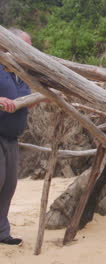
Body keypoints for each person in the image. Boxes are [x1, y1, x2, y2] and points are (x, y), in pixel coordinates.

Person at [0, 28, 33, 246]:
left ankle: (2, 233)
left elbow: (25, 98)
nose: (29, 52)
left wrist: (43, 98)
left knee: (8, 185)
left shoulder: (22, 72)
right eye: (25, 47)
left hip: (12, 137)